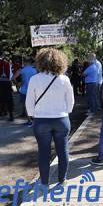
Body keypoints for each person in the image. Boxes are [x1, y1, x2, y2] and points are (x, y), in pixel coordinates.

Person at [26, 48, 74, 187]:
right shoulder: (64, 79)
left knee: (43, 153)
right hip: (61, 119)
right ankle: (62, 180)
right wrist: (65, 112)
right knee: (63, 150)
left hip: (41, 120)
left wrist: (33, 115)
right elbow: (70, 101)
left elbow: (29, 102)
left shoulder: (35, 79)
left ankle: (44, 183)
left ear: (40, 61)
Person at [13, 56, 37, 126]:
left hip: (24, 90)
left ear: (25, 62)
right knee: (34, 105)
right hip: (34, 90)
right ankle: (35, 120)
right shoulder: (35, 70)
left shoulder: (22, 70)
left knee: (26, 106)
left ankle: (29, 121)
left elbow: (13, 78)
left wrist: (17, 84)